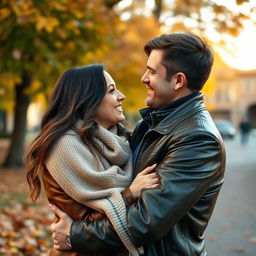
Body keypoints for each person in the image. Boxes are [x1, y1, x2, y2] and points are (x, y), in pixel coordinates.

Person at [50, 32, 226, 256]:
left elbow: (146, 222)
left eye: (152, 71)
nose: (143, 78)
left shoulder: (197, 139)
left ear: (178, 81)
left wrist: (74, 236)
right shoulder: (152, 122)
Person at [25, 64, 160, 256]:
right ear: (87, 100)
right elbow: (85, 224)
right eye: (112, 91)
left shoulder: (118, 141)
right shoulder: (63, 147)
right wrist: (131, 193)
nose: (121, 96)